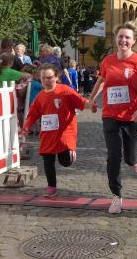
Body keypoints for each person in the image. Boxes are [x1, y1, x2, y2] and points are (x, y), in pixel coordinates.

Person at [89, 22, 137, 214]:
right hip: (110, 115)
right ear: (116, 38)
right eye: (120, 36)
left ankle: (136, 158)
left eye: (127, 37)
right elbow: (102, 80)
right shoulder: (108, 61)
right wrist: (91, 99)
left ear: (133, 41)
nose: (123, 40)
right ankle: (116, 196)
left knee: (129, 158)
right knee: (113, 156)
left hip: (133, 117)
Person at [23, 63, 94, 196]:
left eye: (49, 77)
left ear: (56, 77)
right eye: (43, 78)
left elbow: (81, 101)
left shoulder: (65, 91)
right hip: (47, 133)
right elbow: (32, 114)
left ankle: (70, 154)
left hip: (64, 132)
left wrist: (90, 105)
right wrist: (26, 126)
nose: (46, 81)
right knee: (47, 160)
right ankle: (51, 187)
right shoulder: (40, 96)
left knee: (65, 162)